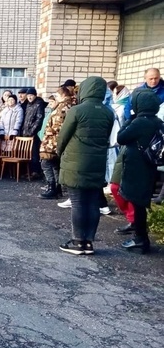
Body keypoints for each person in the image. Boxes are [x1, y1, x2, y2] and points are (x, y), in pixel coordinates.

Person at [56, 76, 114, 255]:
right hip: (97, 163)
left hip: (76, 162)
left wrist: (59, 152)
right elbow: (107, 135)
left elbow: (63, 137)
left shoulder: (77, 110)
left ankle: (78, 242)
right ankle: (88, 242)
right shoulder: (108, 112)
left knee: (78, 203)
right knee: (93, 203)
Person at [115, 87, 163, 253]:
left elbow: (121, 137)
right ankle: (139, 234)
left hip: (137, 167)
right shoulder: (157, 121)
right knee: (140, 202)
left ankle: (141, 239)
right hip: (150, 166)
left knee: (138, 203)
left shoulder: (140, 122)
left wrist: (129, 120)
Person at [38, 88, 73, 199]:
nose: (55, 98)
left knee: (46, 162)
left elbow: (58, 127)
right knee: (54, 164)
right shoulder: (66, 105)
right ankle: (57, 188)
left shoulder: (63, 107)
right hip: (54, 140)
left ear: (62, 95)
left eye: (57, 96)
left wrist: (48, 133)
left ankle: (52, 187)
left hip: (53, 141)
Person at [21, 88, 44, 177]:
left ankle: (35, 172)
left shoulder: (39, 104)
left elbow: (39, 120)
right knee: (27, 153)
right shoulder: (28, 105)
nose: (29, 97)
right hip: (25, 133)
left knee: (34, 153)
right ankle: (28, 171)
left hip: (32, 134)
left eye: (31, 95)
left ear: (35, 95)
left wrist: (31, 132)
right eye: (28, 95)